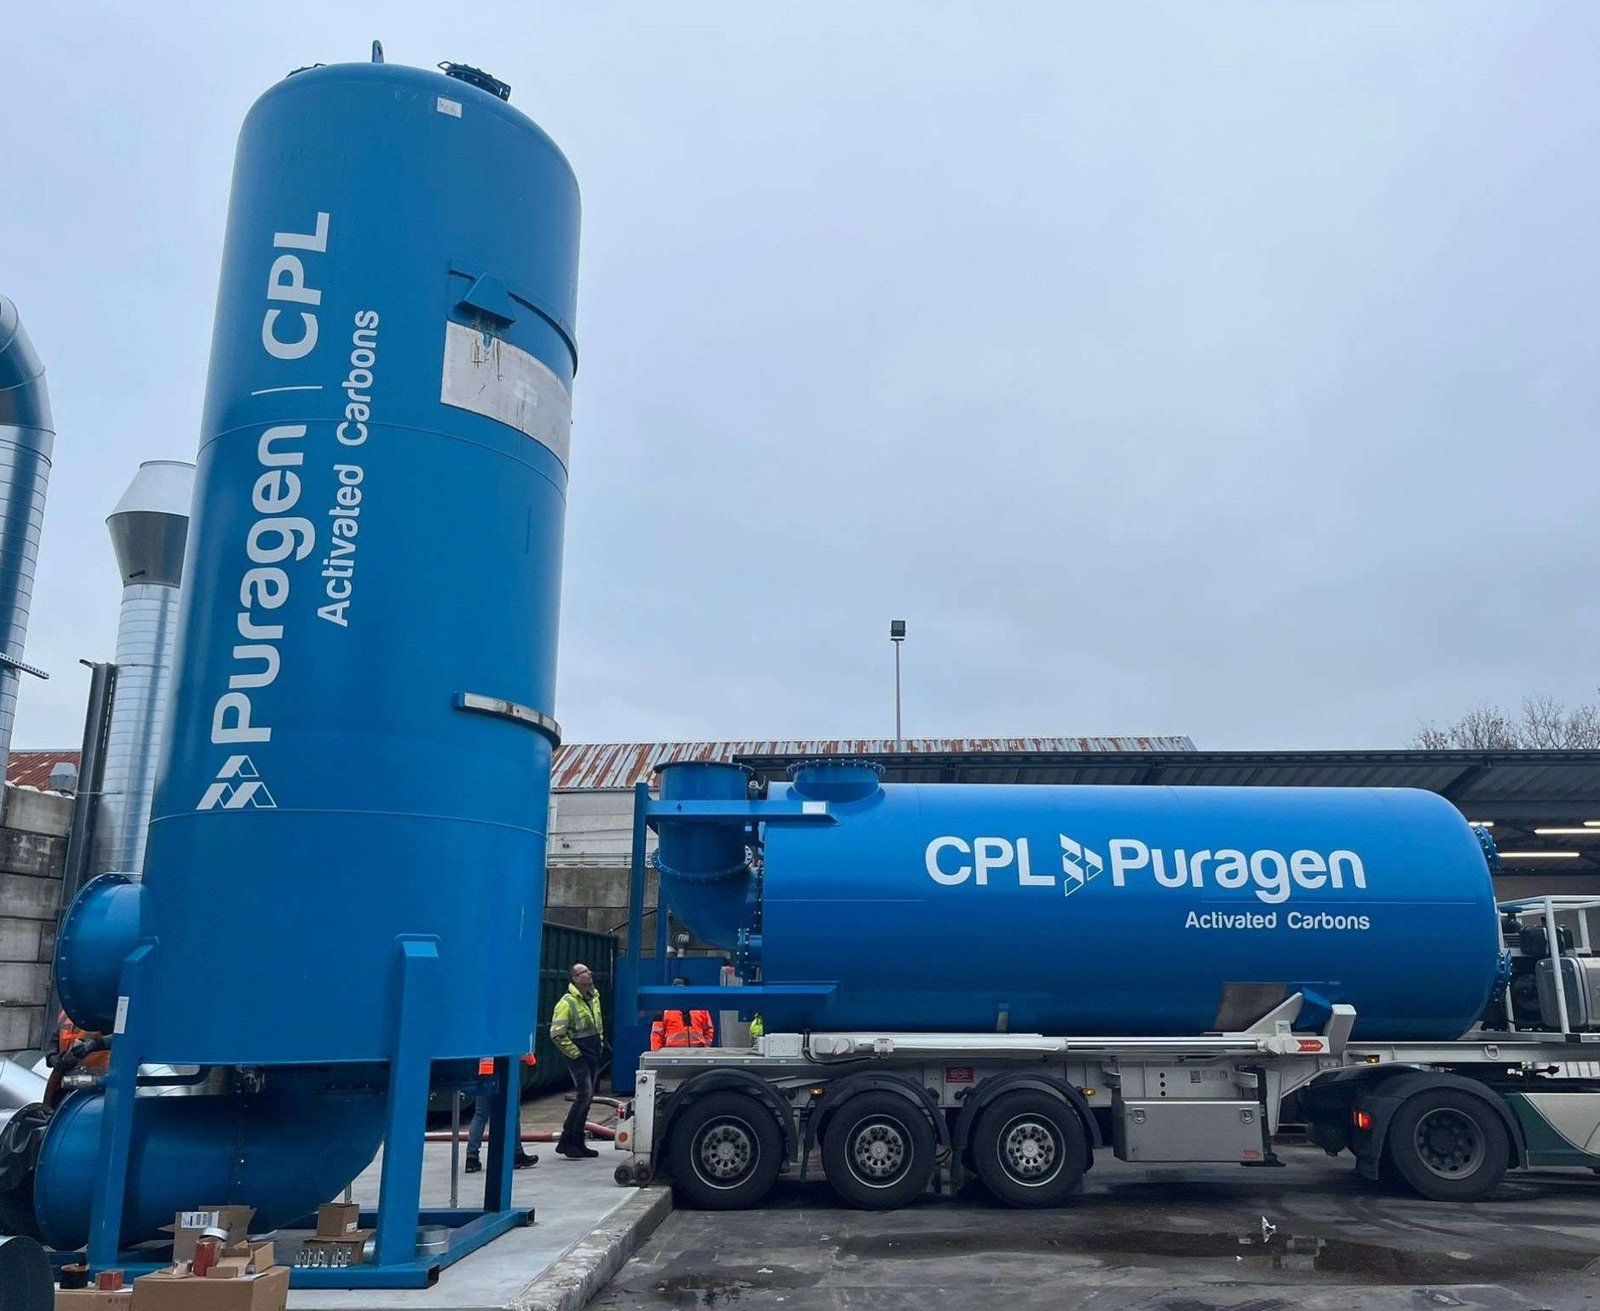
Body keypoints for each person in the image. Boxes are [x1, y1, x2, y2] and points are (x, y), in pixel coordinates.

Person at [550, 961, 604, 1159]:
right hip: (579, 1056)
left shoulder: (593, 997)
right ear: (575, 979)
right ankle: (567, 1140)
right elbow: (557, 1034)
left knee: (587, 1099)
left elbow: (597, 1025)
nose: (589, 973)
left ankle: (578, 1142)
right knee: (584, 1095)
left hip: (592, 1053)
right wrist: (576, 1053)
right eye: (584, 972)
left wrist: (598, 1042)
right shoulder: (567, 1003)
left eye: (588, 970)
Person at [465, 1056, 539, 1173]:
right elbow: (520, 1047)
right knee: (513, 1113)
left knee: (480, 1115)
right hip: (506, 1070)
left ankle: (471, 1159)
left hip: (484, 1069)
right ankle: (516, 1154)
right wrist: (531, 1061)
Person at [650, 977, 715, 1050]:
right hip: (672, 1053)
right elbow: (656, 1034)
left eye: (681, 989)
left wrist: (705, 1047)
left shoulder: (700, 1008)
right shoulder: (663, 1009)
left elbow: (709, 1029)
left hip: (698, 1052)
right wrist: (656, 1055)